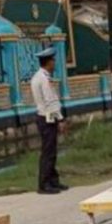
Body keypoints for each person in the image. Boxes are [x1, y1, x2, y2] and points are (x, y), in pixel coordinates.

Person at [31, 48, 67, 194]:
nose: (54, 63)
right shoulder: (43, 79)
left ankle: (53, 180)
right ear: (48, 62)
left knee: (51, 151)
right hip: (47, 118)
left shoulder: (40, 76)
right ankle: (44, 184)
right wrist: (61, 119)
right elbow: (50, 101)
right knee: (48, 152)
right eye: (53, 60)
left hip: (46, 117)